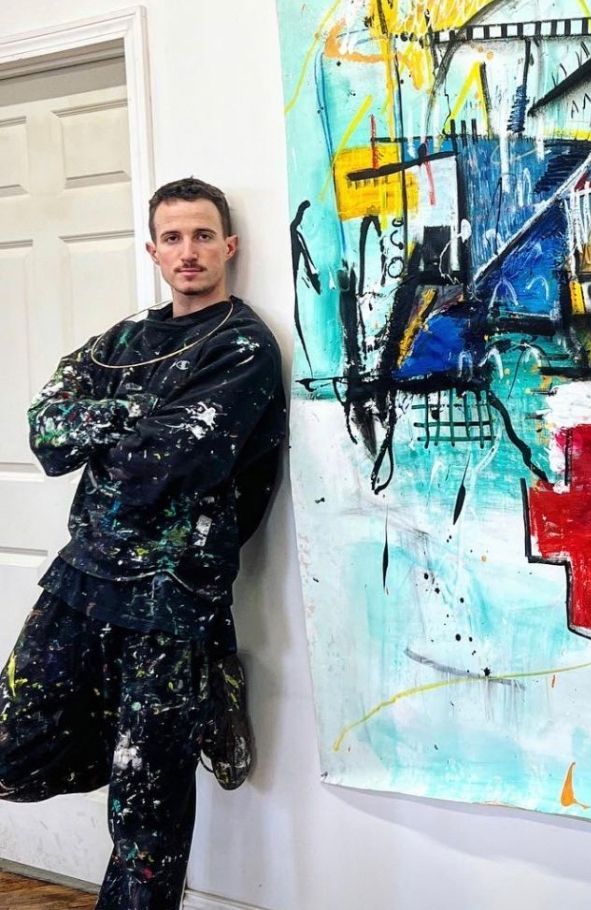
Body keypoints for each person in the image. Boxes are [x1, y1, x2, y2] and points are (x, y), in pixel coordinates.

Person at [0, 177, 286, 909]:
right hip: (82, 577)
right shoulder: (125, 339)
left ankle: (190, 709)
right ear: (153, 250)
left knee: (146, 806)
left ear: (229, 246)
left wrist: (108, 421)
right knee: (14, 747)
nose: (188, 252)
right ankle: (195, 709)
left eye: (202, 236)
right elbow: (46, 431)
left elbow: (164, 466)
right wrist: (134, 414)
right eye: (173, 237)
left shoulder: (242, 346)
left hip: (173, 599)